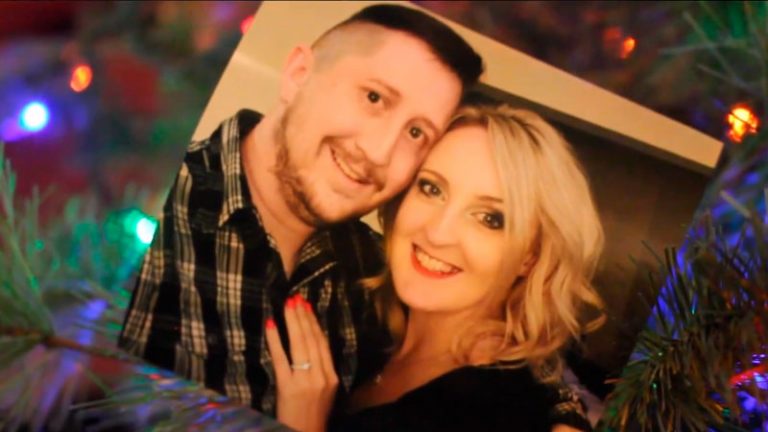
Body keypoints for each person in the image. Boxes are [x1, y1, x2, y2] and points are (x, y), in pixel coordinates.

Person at [118, 2, 483, 417]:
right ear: (298, 74)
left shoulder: (381, 270)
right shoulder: (145, 217)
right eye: (374, 97)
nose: (380, 153)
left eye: (416, 132)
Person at [266, 103, 605, 431]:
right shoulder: (361, 306)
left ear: (530, 256)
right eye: (431, 189)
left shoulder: (496, 413)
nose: (438, 233)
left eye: (489, 219)